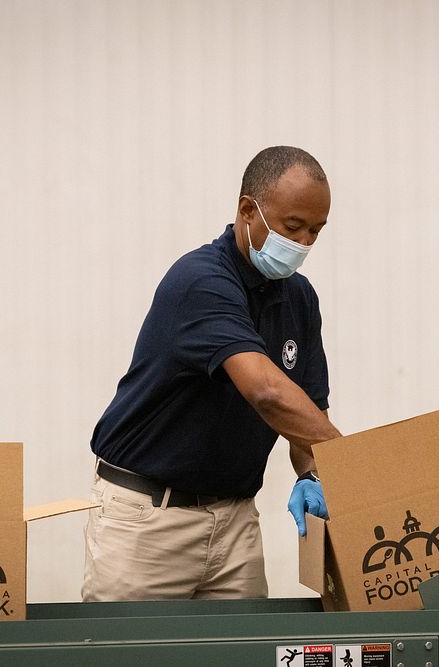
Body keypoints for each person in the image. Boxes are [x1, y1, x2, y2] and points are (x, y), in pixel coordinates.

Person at [82, 146, 341, 601]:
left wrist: (313, 475)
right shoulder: (201, 281)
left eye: (315, 232)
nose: (302, 243)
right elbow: (267, 392)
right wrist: (363, 471)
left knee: (239, 653)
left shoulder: (299, 298)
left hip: (236, 521)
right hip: (148, 521)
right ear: (248, 210)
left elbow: (307, 413)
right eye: (292, 227)